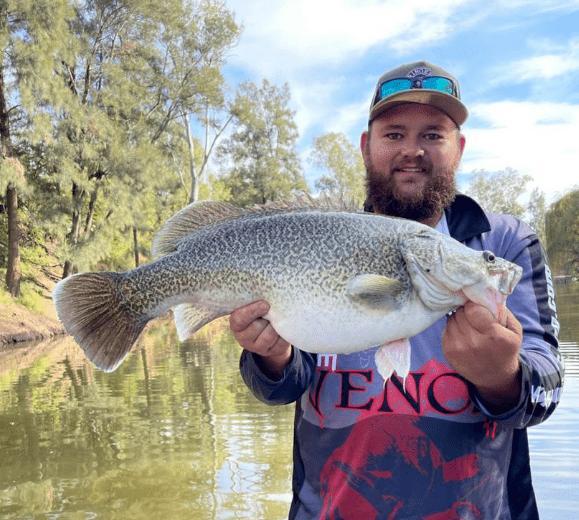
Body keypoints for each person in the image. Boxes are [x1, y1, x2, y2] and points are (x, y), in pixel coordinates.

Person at [229, 61, 564, 519]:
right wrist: (270, 356)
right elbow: (282, 387)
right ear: (367, 148)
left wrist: (501, 376)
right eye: (394, 135)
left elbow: (547, 389)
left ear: (459, 148)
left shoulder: (505, 244)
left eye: (432, 135)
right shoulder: (318, 237)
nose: (413, 150)